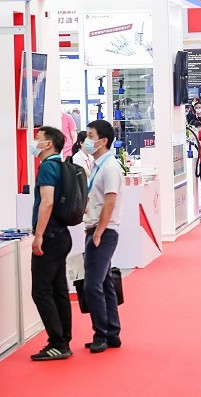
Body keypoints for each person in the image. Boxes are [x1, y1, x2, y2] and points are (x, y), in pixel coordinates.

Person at [28, 126, 73, 361]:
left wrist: (39, 235)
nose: (34, 141)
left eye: (38, 138)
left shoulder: (47, 167)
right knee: (58, 289)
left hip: (51, 236)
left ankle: (57, 342)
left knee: (41, 291)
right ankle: (63, 340)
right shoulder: (62, 166)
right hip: (62, 235)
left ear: (48, 144)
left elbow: (47, 202)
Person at [82, 119, 123, 354]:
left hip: (103, 232)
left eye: (91, 136)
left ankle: (101, 334)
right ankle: (112, 332)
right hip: (97, 230)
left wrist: (98, 232)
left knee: (92, 285)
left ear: (103, 140)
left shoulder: (109, 168)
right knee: (105, 283)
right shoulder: (99, 166)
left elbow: (110, 202)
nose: (86, 140)